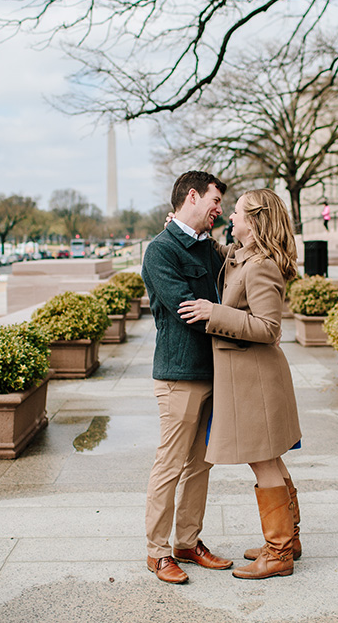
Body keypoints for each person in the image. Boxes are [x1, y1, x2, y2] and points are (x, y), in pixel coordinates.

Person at [179, 188, 303, 580]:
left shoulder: (262, 265)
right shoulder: (245, 256)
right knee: (271, 460)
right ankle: (288, 540)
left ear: (255, 221)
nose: (230, 218)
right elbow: (225, 257)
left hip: (256, 382)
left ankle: (279, 552)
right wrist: (183, 228)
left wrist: (214, 313)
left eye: (236, 213)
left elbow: (269, 328)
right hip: (251, 380)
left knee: (263, 461)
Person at [140, 170, 233, 584]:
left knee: (201, 465)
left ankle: (187, 542)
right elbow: (187, 310)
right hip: (179, 375)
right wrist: (234, 321)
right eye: (215, 200)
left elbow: (227, 295)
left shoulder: (211, 251)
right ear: (191, 196)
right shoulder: (160, 251)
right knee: (171, 464)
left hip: (215, 371)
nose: (220, 209)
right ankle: (158, 552)